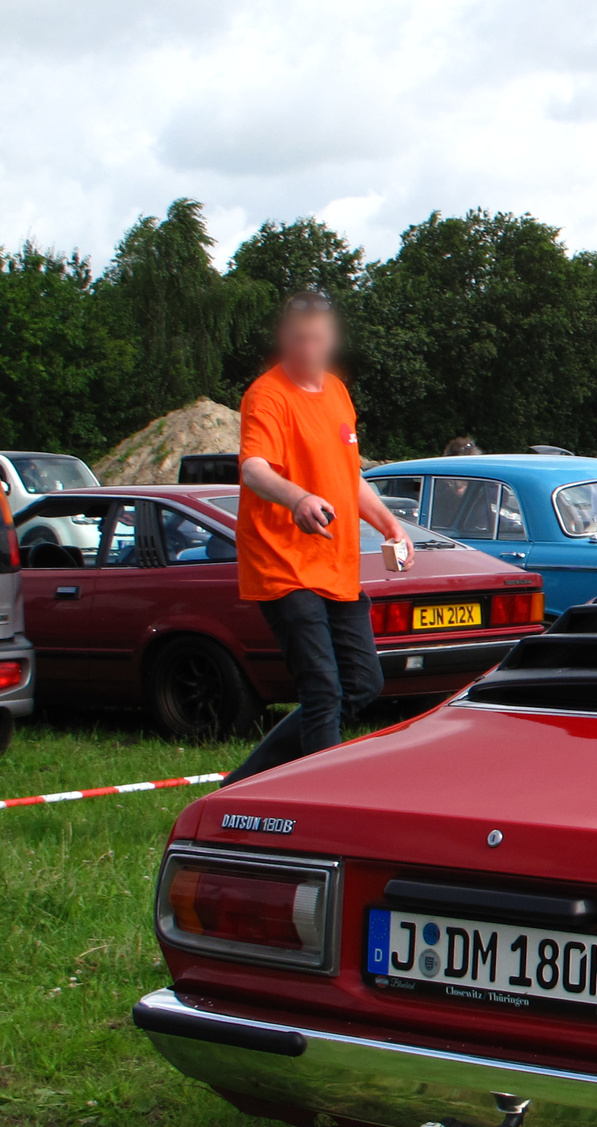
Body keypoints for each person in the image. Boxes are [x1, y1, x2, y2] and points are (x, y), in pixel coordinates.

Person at [223, 291, 413, 784]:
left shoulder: (336, 392)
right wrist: (298, 499)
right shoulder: (266, 395)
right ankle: (323, 797)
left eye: (319, 336)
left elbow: (349, 476)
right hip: (283, 564)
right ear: (285, 337)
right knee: (322, 690)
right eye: (300, 337)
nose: (310, 346)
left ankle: (247, 780)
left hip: (336, 566)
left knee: (361, 683)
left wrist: (390, 525)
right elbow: (253, 469)